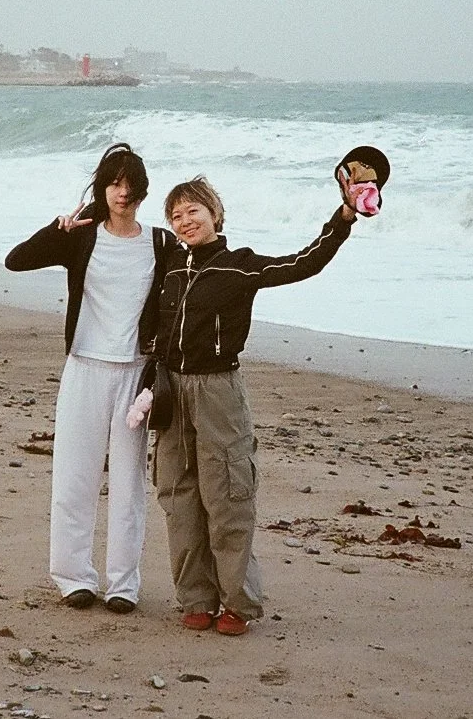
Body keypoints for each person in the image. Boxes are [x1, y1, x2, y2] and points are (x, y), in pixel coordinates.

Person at [153, 175, 360, 636]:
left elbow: (304, 263)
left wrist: (344, 218)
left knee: (227, 497)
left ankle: (238, 604)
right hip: (170, 390)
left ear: (215, 214)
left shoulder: (239, 266)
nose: (185, 221)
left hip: (218, 392)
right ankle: (196, 599)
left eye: (193, 211)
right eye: (176, 215)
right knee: (178, 497)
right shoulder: (168, 264)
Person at [5, 144, 175, 613]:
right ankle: (74, 577)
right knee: (74, 477)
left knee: (129, 485)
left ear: (142, 190)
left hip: (134, 376)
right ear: (102, 186)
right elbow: (15, 261)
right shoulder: (81, 237)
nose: (122, 192)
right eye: (114, 182)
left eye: (130, 184)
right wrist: (54, 230)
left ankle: (124, 584)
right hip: (83, 367)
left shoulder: (160, 244)